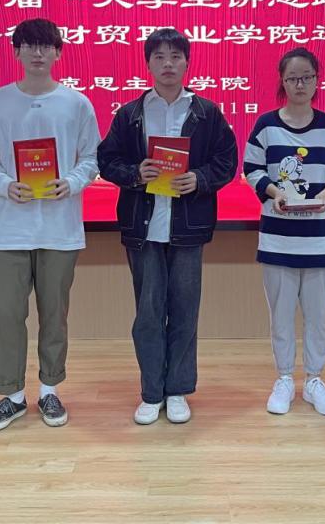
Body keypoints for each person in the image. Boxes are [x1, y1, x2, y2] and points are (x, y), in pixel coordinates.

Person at [97, 28, 238, 426]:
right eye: (159, 57)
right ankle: (151, 392)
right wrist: (134, 172)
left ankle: (177, 390)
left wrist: (200, 179)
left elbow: (227, 160)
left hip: (188, 227)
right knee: (147, 314)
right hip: (143, 228)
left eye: (175, 56)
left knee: (184, 312)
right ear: (148, 64)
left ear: (187, 62)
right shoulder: (130, 114)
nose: (168, 64)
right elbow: (106, 160)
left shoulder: (206, 112)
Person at [0, 18, 100, 432]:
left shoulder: (76, 104)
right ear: (17, 52)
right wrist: (5, 185)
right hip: (7, 230)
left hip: (60, 229)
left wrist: (72, 182)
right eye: (29, 45)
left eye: (46, 46)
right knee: (6, 316)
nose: (38, 53)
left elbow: (91, 158)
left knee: (54, 316)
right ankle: (11, 395)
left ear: (59, 52)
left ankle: (49, 389)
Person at [243, 48, 325, 416]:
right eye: (293, 78)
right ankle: (285, 378)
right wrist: (275, 193)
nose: (300, 84)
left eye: (306, 77)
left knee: (318, 317)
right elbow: (252, 169)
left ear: (317, 81)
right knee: (281, 314)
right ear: (283, 82)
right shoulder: (266, 125)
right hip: (278, 237)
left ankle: (315, 380)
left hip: (319, 238)